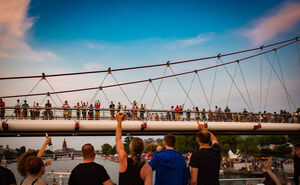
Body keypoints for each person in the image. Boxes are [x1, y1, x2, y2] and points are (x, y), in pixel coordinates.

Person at [115, 113, 152, 185]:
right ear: (143, 149)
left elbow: (118, 138)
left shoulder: (124, 160)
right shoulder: (147, 168)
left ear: (130, 148)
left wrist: (119, 121)